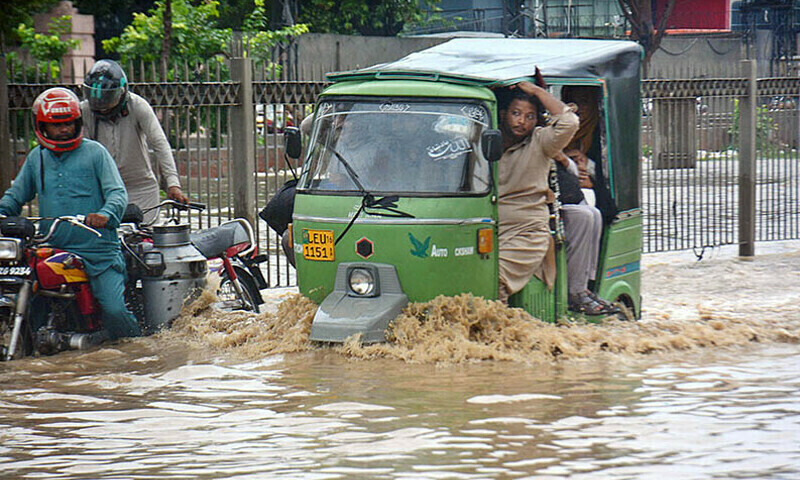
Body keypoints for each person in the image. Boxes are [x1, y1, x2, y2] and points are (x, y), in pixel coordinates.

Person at [0, 87, 141, 340]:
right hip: (53, 250)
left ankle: (135, 351)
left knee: (114, 309)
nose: (63, 130)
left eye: (68, 123)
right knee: (32, 302)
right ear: (42, 127)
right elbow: (15, 196)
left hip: (99, 252)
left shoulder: (95, 153)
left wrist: (105, 214)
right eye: (56, 125)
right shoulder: (36, 159)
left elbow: (117, 194)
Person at [496, 79, 579, 303]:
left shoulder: (541, 141)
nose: (521, 121)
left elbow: (569, 122)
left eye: (529, 116)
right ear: (503, 114)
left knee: (493, 282)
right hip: (486, 230)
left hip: (527, 233)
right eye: (516, 113)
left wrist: (535, 90)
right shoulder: (485, 140)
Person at [80, 59, 187, 223]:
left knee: (144, 239)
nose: (103, 107)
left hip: (140, 187)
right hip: (103, 189)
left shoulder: (137, 106)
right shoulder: (85, 110)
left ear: (122, 92)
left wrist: (173, 184)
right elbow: (83, 150)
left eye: (109, 99)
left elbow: (160, 144)